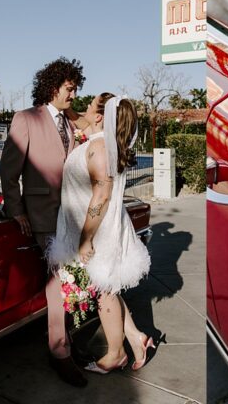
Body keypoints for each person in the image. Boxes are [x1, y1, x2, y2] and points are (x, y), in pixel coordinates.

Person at [47, 93, 153, 374]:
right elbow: (79, 117)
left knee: (104, 292)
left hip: (96, 231)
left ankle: (115, 354)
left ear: (101, 117)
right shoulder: (98, 143)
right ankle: (135, 337)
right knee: (107, 287)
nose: (86, 108)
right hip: (90, 226)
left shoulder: (100, 149)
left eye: (92, 105)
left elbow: (101, 196)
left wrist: (86, 239)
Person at [0, 58, 89, 387]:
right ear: (53, 87)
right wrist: (16, 209)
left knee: (71, 279)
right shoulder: (25, 119)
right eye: (70, 88)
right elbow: (9, 170)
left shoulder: (69, 121)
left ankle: (67, 339)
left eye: (76, 87)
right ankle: (59, 350)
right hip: (40, 213)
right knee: (58, 281)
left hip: (71, 213)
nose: (74, 93)